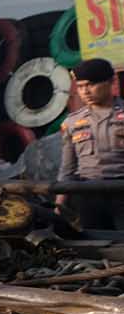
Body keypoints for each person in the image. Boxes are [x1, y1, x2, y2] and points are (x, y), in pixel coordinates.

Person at [58, 57, 124, 230]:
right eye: (80, 86)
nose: (85, 91)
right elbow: (67, 169)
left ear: (111, 82)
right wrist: (58, 207)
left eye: (91, 85)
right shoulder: (72, 122)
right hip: (89, 195)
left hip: (121, 190)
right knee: (94, 246)